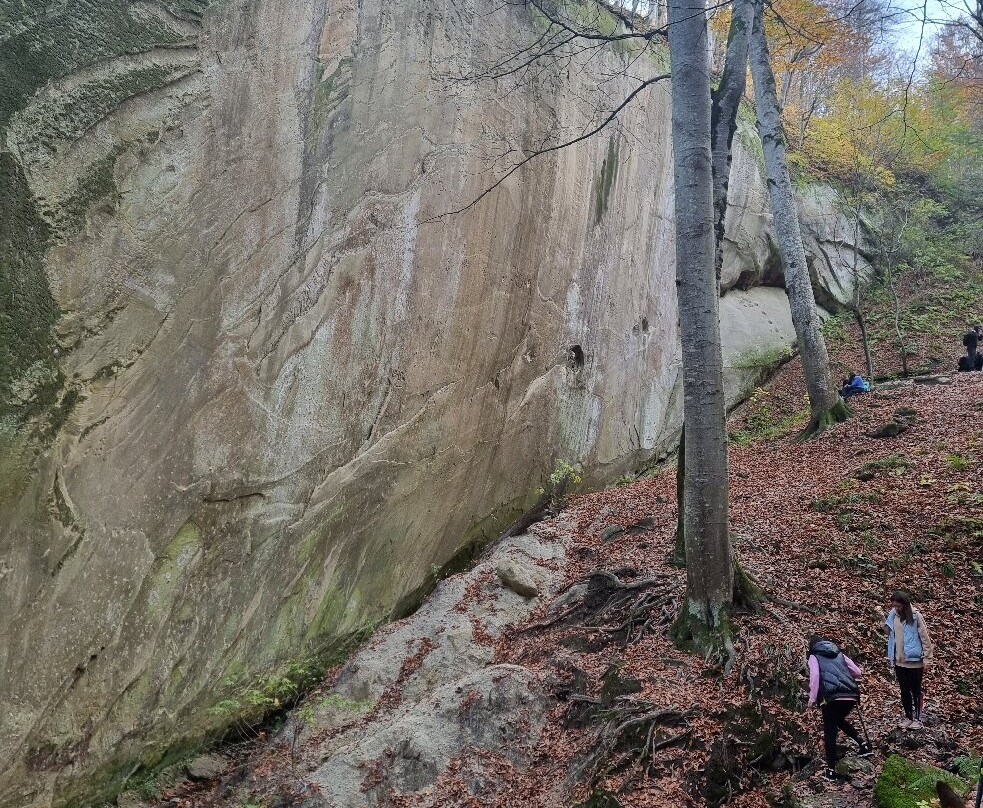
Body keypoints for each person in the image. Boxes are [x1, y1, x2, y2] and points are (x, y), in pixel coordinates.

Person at [808, 636, 873, 781]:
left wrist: (812, 699)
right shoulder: (839, 654)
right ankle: (863, 745)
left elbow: (815, 676)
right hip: (851, 695)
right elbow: (857, 672)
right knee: (839, 721)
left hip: (831, 698)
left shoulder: (814, 656)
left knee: (829, 733)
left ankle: (831, 770)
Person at [885, 590, 934, 728]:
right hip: (899, 660)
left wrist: (927, 659)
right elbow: (888, 632)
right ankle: (908, 716)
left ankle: (918, 719)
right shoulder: (893, 615)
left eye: (899, 606)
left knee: (916, 690)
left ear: (904, 604)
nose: (897, 608)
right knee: (904, 690)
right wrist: (882, 620)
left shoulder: (915, 616)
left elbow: (925, 638)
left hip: (914, 661)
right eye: (894, 606)